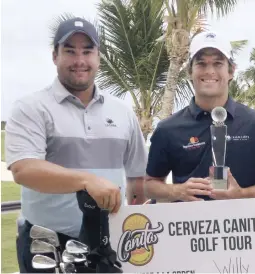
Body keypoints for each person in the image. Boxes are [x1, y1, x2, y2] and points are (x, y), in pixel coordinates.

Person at [5, 17, 148, 273]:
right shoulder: (32, 108)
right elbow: (24, 169)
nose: (80, 60)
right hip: (48, 244)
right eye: (70, 51)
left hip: (111, 241)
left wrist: (136, 222)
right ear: (54, 56)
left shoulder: (122, 112)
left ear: (98, 57)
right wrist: (86, 181)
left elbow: (138, 178)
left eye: (87, 51)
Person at [144, 31, 255, 202]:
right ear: (190, 71)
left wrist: (242, 195)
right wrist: (177, 191)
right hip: (190, 227)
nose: (209, 71)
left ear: (231, 71)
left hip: (244, 227)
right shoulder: (168, 128)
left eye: (218, 63)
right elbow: (150, 185)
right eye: (201, 64)